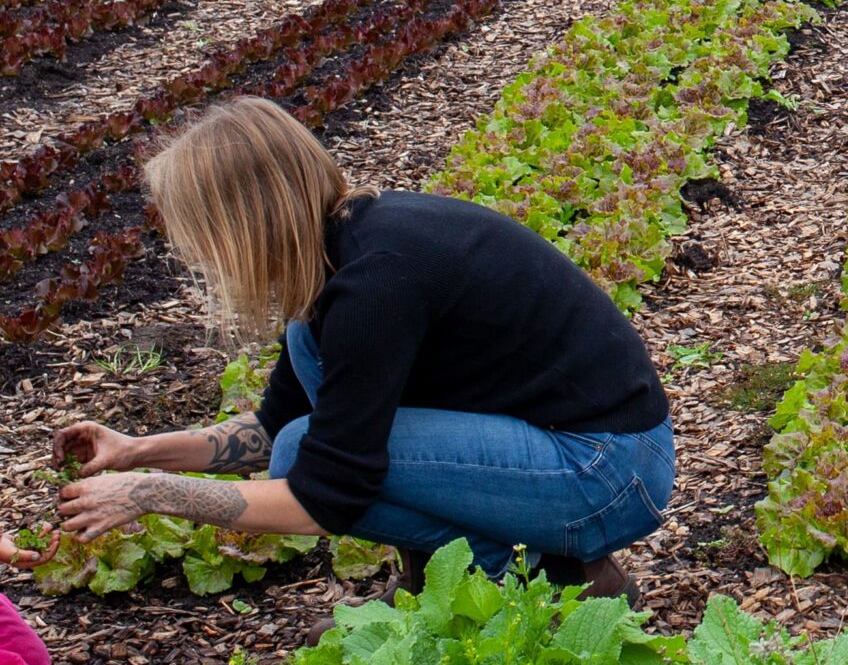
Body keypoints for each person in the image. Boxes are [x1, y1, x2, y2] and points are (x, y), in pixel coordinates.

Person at [40, 99, 675, 594]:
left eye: (197, 233)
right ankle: (495, 578)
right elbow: (274, 426)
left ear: (240, 223)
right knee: (297, 435)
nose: (196, 255)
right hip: (567, 447)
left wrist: (153, 495)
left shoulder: (375, 285)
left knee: (303, 458)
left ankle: (541, 581)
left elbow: (322, 497)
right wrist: (137, 454)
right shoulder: (344, 255)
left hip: (609, 472)